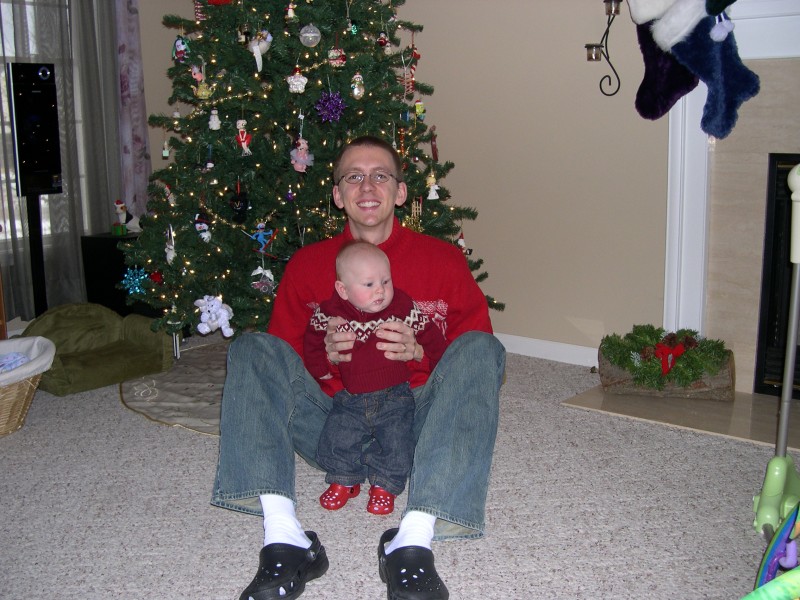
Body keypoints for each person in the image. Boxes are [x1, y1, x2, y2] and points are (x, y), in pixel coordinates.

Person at [211, 135, 506, 600]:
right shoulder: (308, 265)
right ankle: (284, 537)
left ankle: (412, 540)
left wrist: (420, 352)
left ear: (401, 192)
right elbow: (278, 367)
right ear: (337, 194)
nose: (367, 186)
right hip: (332, 422)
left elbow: (475, 358)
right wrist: (324, 359)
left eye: (380, 175)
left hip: (416, 423)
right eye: (353, 176)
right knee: (251, 349)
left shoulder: (443, 260)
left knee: (484, 350)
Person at [304, 241, 448, 516]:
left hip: (396, 395)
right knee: (337, 437)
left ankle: (384, 486)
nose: (381, 290)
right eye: (369, 284)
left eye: (385, 280)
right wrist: (321, 368)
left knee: (397, 442)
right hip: (351, 396)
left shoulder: (403, 306)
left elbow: (431, 334)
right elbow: (312, 340)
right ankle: (345, 479)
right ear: (343, 290)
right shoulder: (330, 312)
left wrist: (429, 358)